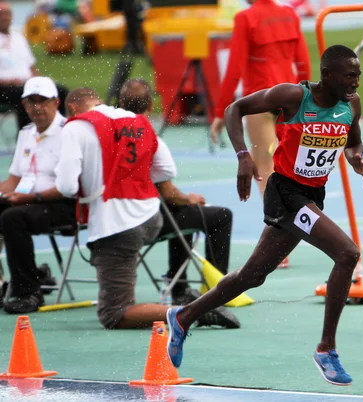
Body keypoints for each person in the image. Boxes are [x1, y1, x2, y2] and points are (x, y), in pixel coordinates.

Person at [167, 45, 363, 386]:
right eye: (350, 74)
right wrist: (244, 156)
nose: (356, 80)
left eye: (359, 74)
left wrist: (356, 157)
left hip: (312, 196)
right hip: (286, 195)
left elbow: (353, 142)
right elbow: (236, 108)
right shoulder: (293, 97)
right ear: (328, 75)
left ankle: (184, 316)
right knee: (347, 254)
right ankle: (326, 349)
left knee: (252, 275)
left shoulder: (351, 104)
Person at [55, 87, 239, 330]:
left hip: (115, 223)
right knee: (200, 218)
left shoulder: (75, 127)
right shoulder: (139, 122)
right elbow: (166, 172)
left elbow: (66, 186)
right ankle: (189, 290)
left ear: (72, 109)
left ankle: (192, 311)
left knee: (113, 314)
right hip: (151, 217)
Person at [210, 0, 311, 268]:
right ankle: (295, 233)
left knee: (266, 172)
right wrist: (310, 101)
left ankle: (279, 245)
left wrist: (221, 111)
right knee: (292, 171)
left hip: (260, 101)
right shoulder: (289, 14)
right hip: (291, 101)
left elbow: (235, 68)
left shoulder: (246, 18)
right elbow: (303, 63)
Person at [119, 78, 236, 307]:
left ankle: (179, 284)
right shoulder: (151, 140)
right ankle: (216, 291)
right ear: (151, 107)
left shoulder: (105, 138)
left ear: (120, 104)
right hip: (144, 222)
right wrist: (188, 197)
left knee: (180, 208)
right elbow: (169, 192)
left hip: (112, 220)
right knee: (217, 215)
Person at [0, 76, 76, 314]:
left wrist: (29, 198)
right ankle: (6, 282)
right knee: (9, 212)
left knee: (12, 218)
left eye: (43, 101)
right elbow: (13, 179)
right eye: (31, 102)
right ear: (23, 106)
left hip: (63, 204)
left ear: (56, 102)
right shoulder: (26, 132)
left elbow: (70, 187)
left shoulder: (69, 133)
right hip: (27, 202)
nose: (37, 107)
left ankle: (28, 292)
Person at [0, 2, 69, 133]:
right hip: (4, 87)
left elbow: (31, 66)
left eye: (7, 14)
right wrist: (10, 82)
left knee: (59, 90)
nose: (4, 17)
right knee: (25, 96)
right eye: (1, 14)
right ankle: (26, 135)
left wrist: (42, 81)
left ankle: (58, 132)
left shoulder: (18, 37)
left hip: (25, 82)